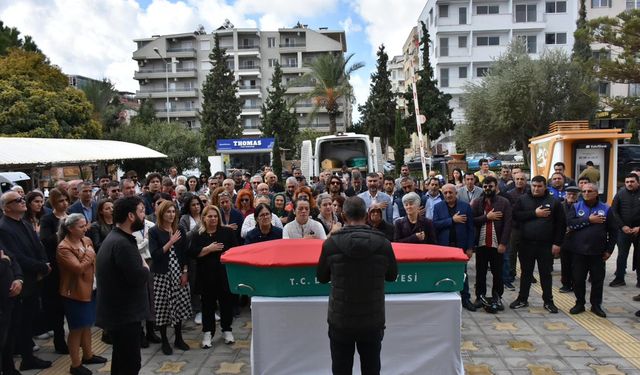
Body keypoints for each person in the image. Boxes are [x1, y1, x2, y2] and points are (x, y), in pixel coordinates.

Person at [316, 196, 398, 375]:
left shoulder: (331, 243)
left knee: (341, 368)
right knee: (371, 368)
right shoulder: (383, 242)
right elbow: (392, 276)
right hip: (372, 319)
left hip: (341, 319)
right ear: (367, 215)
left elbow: (321, 277)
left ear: (343, 216)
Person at [96, 196, 150, 375]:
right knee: (130, 363)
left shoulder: (117, 237)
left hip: (119, 314)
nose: (145, 215)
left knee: (121, 360)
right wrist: (145, 267)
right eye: (141, 211)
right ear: (131, 216)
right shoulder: (122, 243)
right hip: (124, 316)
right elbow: (138, 276)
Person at [0, 191, 52, 372]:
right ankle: (21, 360)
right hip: (22, 280)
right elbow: (15, 256)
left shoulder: (24, 223)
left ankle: (28, 357)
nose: (23, 201)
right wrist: (39, 267)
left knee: (28, 320)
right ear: (6, 207)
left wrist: (45, 264)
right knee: (19, 324)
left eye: (22, 199)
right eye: (18, 200)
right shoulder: (4, 227)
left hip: (34, 278)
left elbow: (38, 246)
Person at [57, 214, 107, 375]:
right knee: (76, 329)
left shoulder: (86, 241)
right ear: (70, 229)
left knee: (87, 325)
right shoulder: (64, 247)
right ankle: (75, 364)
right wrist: (90, 255)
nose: (85, 228)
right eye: (81, 226)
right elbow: (77, 268)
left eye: (85, 225)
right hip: (75, 293)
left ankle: (88, 355)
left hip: (90, 288)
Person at [510, 176, 565, 313]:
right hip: (526, 243)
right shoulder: (523, 199)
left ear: (545, 186)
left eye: (539, 186)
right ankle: (522, 299)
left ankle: (548, 301)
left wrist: (557, 243)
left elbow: (561, 224)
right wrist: (534, 213)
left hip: (545, 245)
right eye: (534, 185)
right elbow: (515, 215)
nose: (536, 188)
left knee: (545, 274)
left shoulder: (554, 202)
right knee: (526, 273)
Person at [188, 205, 237, 349]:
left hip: (224, 275)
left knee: (226, 304)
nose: (213, 219)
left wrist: (225, 255)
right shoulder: (198, 234)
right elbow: (192, 253)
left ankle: (227, 330)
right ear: (204, 218)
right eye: (210, 216)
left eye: (215, 216)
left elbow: (235, 249)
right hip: (206, 276)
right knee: (207, 306)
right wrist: (208, 249)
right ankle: (208, 332)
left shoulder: (227, 232)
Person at [566, 182, 616, 318]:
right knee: (578, 279)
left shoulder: (606, 208)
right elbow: (570, 223)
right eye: (584, 191)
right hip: (578, 251)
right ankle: (579, 303)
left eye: (590, 191)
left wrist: (609, 250)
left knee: (597, 280)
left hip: (597, 252)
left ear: (596, 193)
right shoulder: (576, 207)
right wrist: (588, 219)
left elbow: (613, 231)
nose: (586, 193)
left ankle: (596, 305)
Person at [149, 200, 192, 355]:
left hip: (178, 272)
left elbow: (185, 254)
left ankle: (179, 338)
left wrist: (185, 272)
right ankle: (165, 340)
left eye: (174, 212)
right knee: (162, 308)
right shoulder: (154, 231)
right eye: (168, 212)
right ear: (161, 213)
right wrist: (170, 241)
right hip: (162, 275)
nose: (171, 215)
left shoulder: (179, 228)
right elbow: (155, 255)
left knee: (179, 306)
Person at [470, 176, 512, 313]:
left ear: (496, 187)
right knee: (480, 273)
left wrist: (503, 243)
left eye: (490, 186)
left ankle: (497, 297)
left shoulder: (504, 202)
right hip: (481, 244)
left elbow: (507, 224)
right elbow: (472, 221)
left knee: (497, 273)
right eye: (485, 187)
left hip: (497, 244)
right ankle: (479, 297)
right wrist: (486, 217)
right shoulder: (477, 202)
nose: (488, 189)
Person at [433, 184, 476, 311]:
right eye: (445, 193)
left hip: (460, 247)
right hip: (444, 246)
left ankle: (465, 299)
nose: (448, 195)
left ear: (455, 193)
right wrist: (451, 220)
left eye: (450, 192)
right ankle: (444, 299)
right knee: (443, 272)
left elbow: (470, 229)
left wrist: (470, 248)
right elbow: (435, 225)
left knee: (463, 273)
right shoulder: (438, 207)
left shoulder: (465, 206)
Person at [39, 187, 70, 354]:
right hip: (56, 268)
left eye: (66, 200)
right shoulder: (47, 219)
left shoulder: (71, 216)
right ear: (53, 202)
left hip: (72, 265)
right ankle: (59, 339)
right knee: (57, 306)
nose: (64, 203)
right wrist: (63, 230)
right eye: (60, 201)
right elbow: (45, 240)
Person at [609, 173, 640, 288]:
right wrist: (622, 226)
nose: (629, 184)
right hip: (623, 231)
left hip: (638, 231)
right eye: (627, 182)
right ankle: (619, 278)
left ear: (638, 182)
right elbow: (614, 211)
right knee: (622, 255)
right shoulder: (620, 194)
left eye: (632, 181)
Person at [0, 243, 23, 375]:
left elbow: (13, 259)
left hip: (8, 301)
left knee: (8, 337)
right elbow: (6, 260)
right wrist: (4, 262)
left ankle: (9, 369)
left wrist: (18, 279)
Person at [559, 186, 581, 293]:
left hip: (578, 239)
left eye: (574, 194)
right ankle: (566, 284)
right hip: (564, 239)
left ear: (578, 196)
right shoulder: (560, 206)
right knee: (565, 263)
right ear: (565, 195)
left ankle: (576, 284)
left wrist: (573, 227)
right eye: (569, 194)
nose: (571, 196)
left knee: (577, 265)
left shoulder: (581, 206)